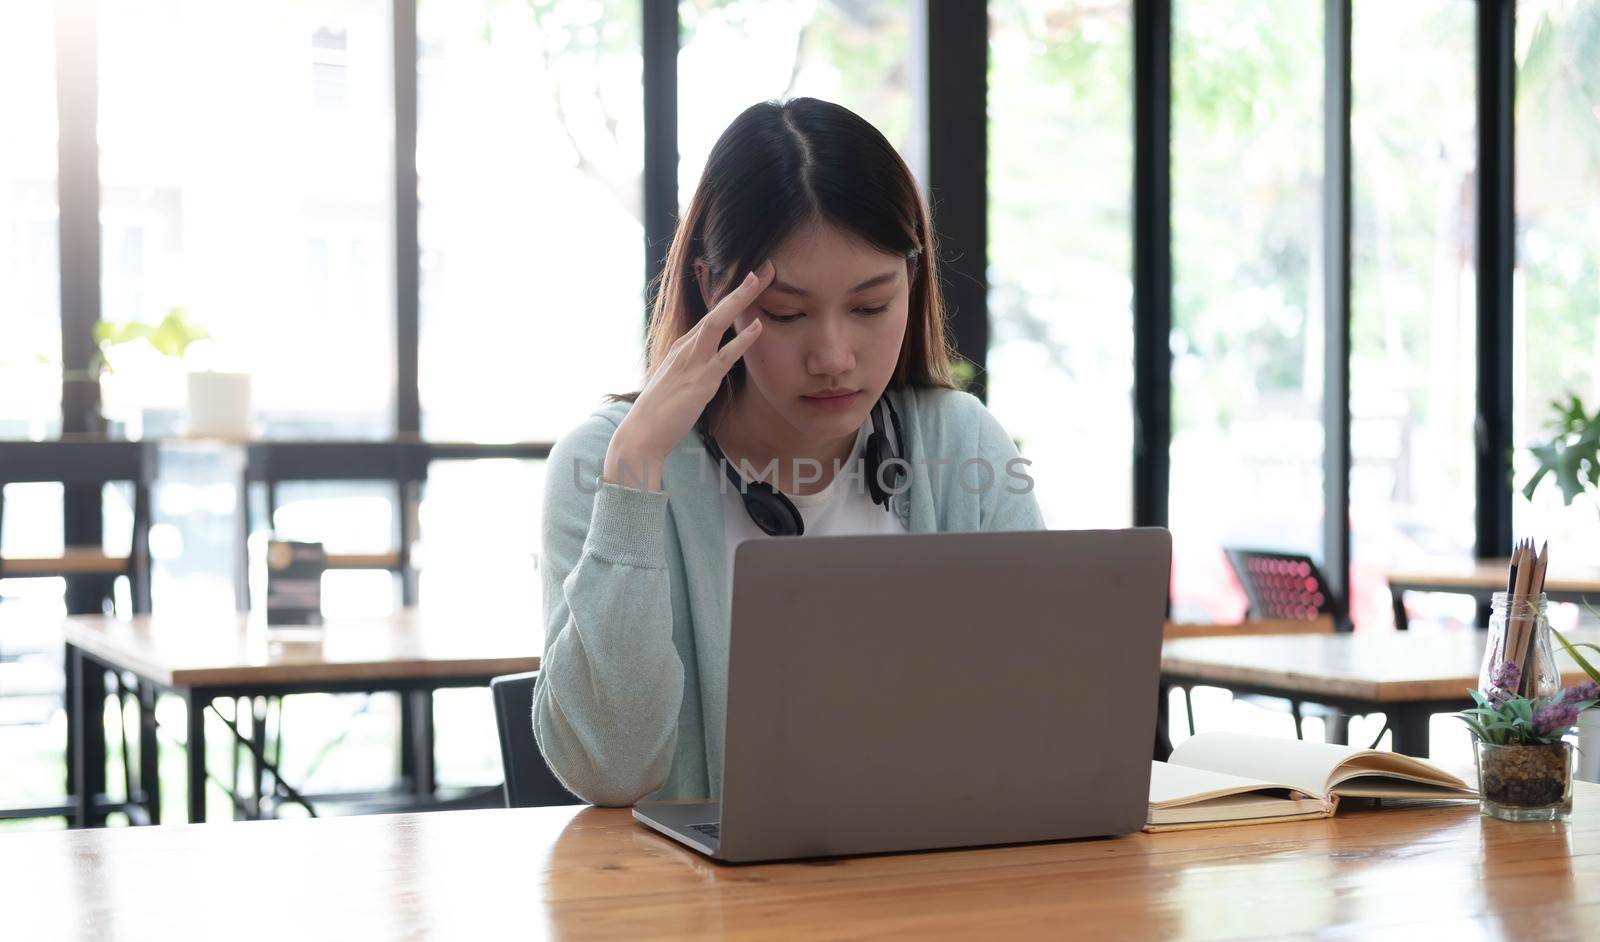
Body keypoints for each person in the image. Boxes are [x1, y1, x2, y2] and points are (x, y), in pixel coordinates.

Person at [534, 97, 1045, 806]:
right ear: (714, 289)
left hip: (934, 892)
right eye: (786, 314)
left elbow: (1046, 723)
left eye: (871, 306)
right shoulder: (607, 462)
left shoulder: (961, 443)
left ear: (913, 280)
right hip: (707, 911)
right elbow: (612, 771)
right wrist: (635, 472)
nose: (834, 357)